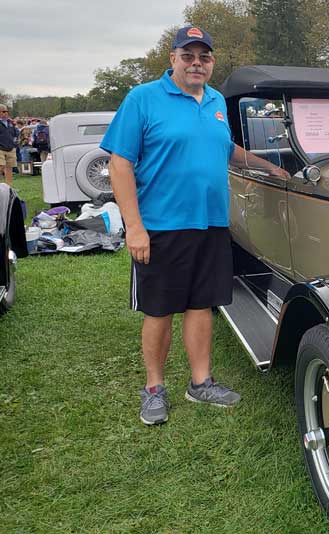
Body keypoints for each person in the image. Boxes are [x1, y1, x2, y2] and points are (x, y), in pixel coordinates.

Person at [100, 26, 291, 426]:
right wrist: (134, 227)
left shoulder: (218, 101)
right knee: (159, 310)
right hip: (162, 227)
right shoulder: (143, 99)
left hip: (211, 225)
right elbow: (119, 165)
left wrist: (270, 167)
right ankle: (154, 388)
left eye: (204, 57)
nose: (196, 63)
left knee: (201, 304)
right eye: (188, 56)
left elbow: (225, 149)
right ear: (172, 59)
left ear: (211, 63)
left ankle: (200, 382)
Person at [0, 104, 16, 185]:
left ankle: (8, 187)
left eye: (7, 111)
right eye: (3, 111)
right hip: (0, 149)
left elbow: (14, 133)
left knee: (9, 168)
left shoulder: (10, 123)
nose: (6, 113)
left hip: (11, 148)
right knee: (1, 166)